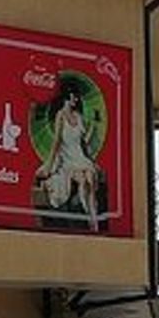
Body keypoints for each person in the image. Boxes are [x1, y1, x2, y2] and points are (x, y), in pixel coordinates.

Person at [34, 84, 100, 231]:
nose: (76, 99)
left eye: (76, 97)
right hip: (67, 159)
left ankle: (93, 220)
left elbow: (83, 142)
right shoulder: (60, 115)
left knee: (90, 177)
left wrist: (93, 126)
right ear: (67, 97)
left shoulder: (78, 116)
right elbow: (57, 140)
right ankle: (87, 217)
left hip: (80, 157)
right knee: (83, 180)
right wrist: (50, 164)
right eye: (73, 96)